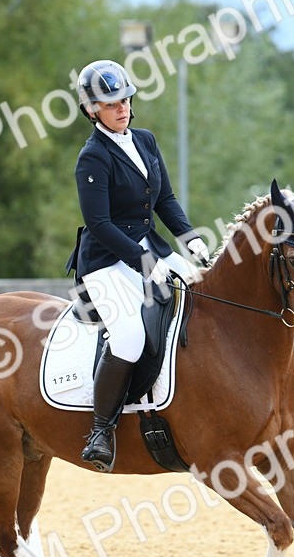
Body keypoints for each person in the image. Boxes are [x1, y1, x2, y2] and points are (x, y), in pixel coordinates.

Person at [68, 59, 210, 473]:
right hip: (107, 261)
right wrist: (146, 263)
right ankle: (100, 430)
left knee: (205, 296)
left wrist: (189, 238)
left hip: (154, 248)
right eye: (112, 104)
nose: (122, 108)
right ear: (92, 110)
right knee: (129, 337)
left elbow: (164, 199)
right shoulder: (92, 158)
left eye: (126, 100)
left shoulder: (145, 140)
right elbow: (100, 224)